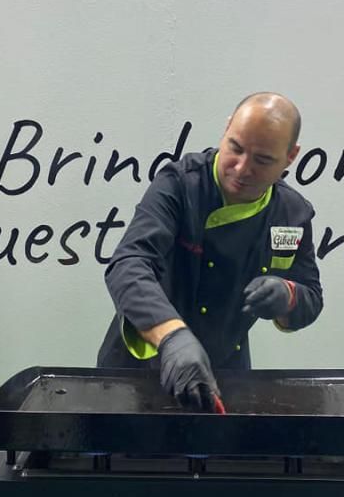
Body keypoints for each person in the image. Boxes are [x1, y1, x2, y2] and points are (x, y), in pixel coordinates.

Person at [97, 92, 323, 410]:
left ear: (290, 156)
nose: (243, 168)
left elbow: (311, 296)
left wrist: (288, 295)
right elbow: (128, 263)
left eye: (262, 160)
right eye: (235, 148)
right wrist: (172, 337)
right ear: (227, 128)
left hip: (225, 371)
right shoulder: (179, 184)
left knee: (220, 458)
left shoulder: (292, 214)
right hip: (141, 367)